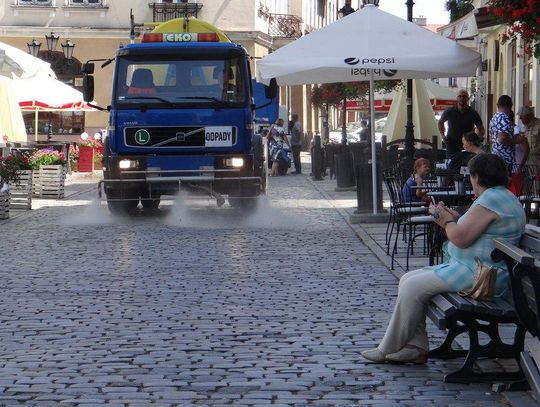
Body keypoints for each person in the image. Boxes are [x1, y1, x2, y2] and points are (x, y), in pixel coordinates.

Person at [362, 153, 526, 364]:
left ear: (478, 176)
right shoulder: (501, 196)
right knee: (407, 279)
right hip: (481, 269)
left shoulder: (491, 199)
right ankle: (415, 347)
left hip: (481, 275)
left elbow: (460, 238)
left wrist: (444, 221)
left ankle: (387, 349)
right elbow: (475, 229)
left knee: (413, 286)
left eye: (471, 175)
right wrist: (453, 217)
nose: (470, 180)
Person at [490, 95, 527, 195]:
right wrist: (517, 140)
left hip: (496, 157)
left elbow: (493, 138)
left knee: (498, 188)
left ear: (498, 105)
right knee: (504, 189)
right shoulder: (504, 118)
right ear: (510, 107)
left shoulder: (494, 118)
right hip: (504, 160)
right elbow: (502, 139)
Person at [438, 89, 485, 159]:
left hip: (467, 145)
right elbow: (440, 122)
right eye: (459, 96)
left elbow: (481, 129)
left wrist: (477, 141)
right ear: (457, 98)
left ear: (468, 99)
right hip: (452, 143)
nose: (462, 98)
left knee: (466, 165)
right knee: (451, 165)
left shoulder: (473, 113)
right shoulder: (450, 111)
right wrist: (443, 135)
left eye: (464, 96)